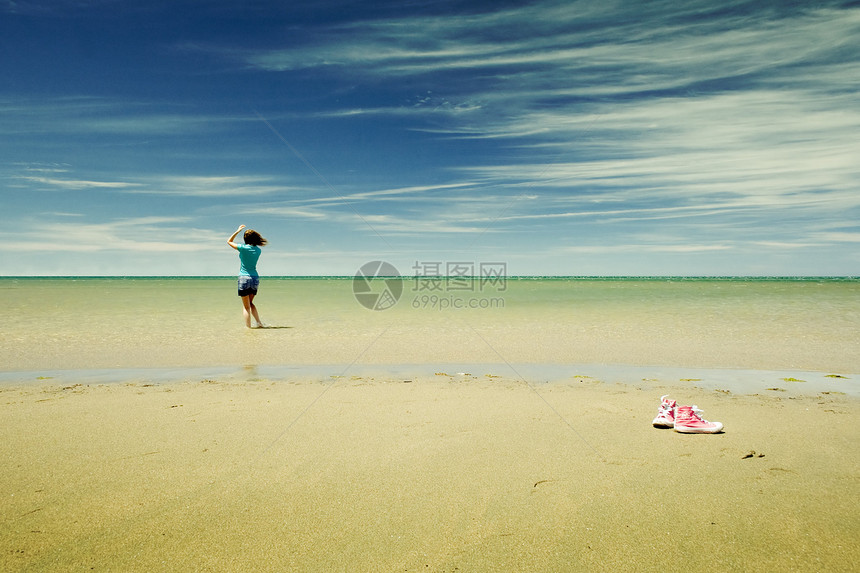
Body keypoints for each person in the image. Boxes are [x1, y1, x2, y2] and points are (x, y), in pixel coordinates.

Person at [227, 225, 268, 328]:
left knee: (246, 307)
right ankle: (259, 323)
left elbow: (229, 241)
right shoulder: (258, 250)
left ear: (245, 239)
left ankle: (248, 328)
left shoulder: (243, 248)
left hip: (244, 278)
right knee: (250, 303)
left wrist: (238, 231)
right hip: (254, 278)